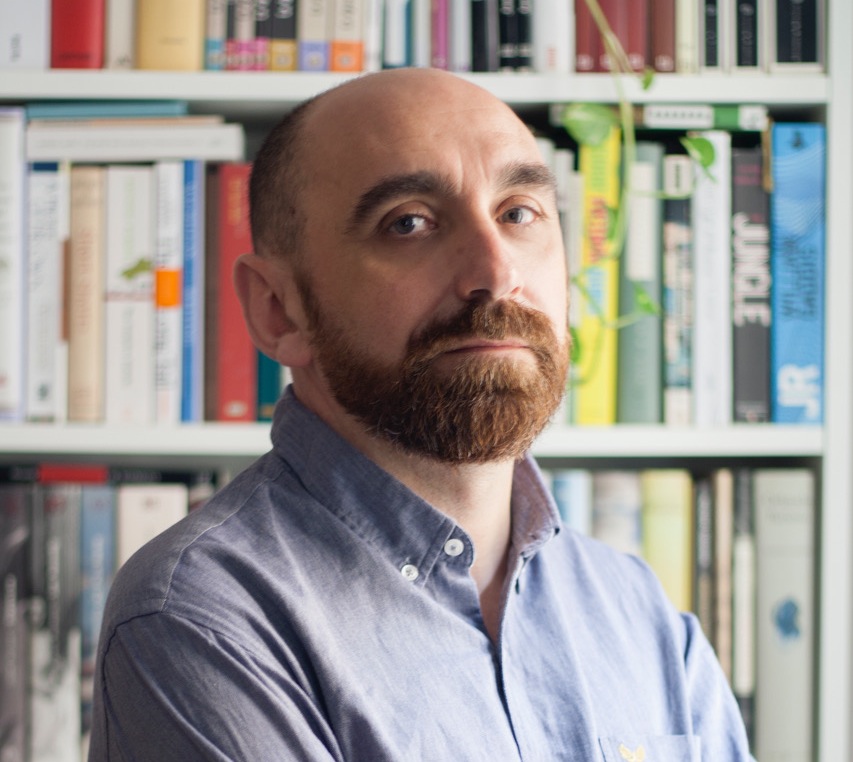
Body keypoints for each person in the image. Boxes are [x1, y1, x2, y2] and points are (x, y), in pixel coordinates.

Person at [89, 67, 753, 761]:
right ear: (278, 309)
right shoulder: (200, 620)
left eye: (518, 213)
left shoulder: (637, 610)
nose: (496, 273)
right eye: (409, 223)